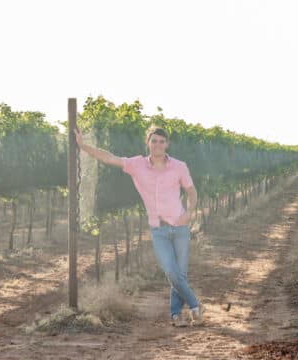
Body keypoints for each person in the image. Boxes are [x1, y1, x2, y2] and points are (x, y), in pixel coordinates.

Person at [75, 125, 204, 327]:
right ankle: (195, 305)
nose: (158, 145)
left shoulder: (179, 166)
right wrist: (83, 146)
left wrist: (189, 213)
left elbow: (192, 192)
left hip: (180, 227)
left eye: (161, 141)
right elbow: (109, 157)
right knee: (171, 271)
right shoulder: (137, 164)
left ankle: (176, 315)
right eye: (154, 141)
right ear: (148, 143)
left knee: (180, 274)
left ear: (167, 144)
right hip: (158, 229)